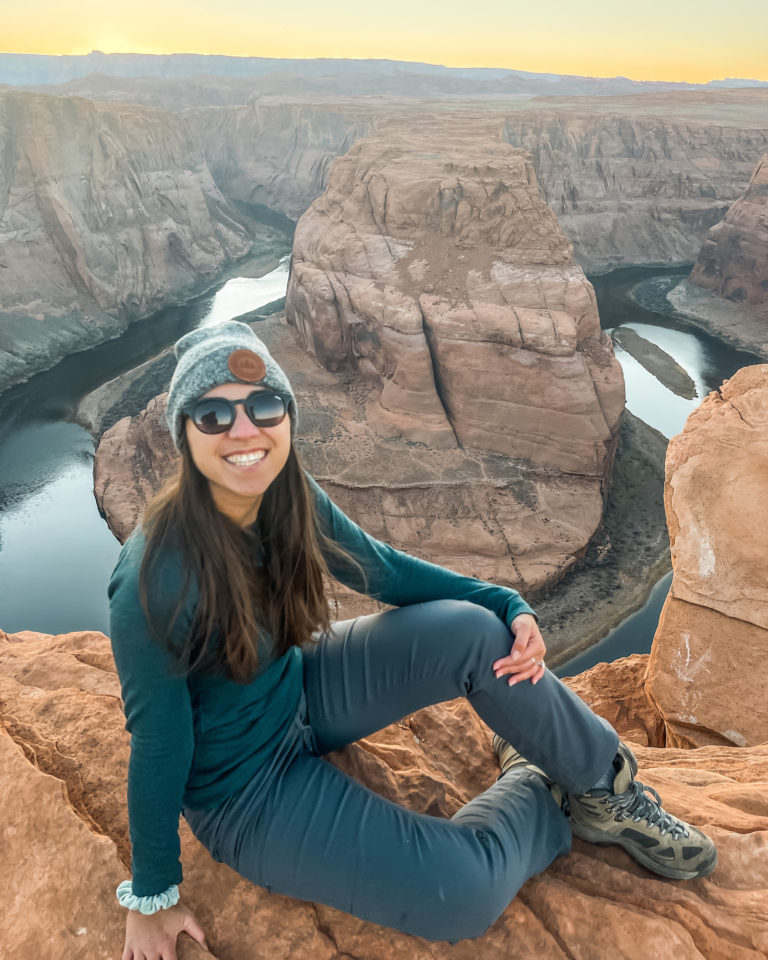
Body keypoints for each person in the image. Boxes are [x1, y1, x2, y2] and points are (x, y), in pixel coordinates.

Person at [109, 321, 716, 960]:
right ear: (183, 432)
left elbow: (383, 571)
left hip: (302, 686)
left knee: (473, 633)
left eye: (264, 407)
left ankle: (602, 785)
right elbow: (158, 745)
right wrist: (153, 894)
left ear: (286, 415)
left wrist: (505, 603)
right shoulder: (155, 578)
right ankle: (544, 793)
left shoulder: (283, 493)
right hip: (245, 789)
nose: (243, 431)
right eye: (213, 415)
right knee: (462, 894)